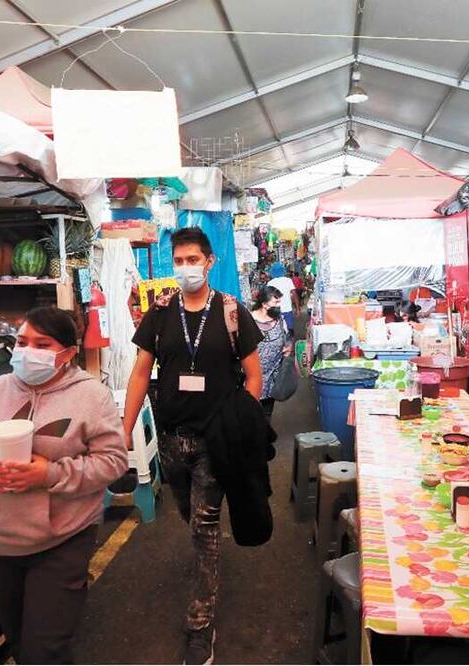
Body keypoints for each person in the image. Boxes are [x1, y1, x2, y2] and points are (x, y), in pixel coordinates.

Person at [0, 307, 128, 664]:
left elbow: (113, 461)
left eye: (41, 344)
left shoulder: (91, 397)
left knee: (45, 650)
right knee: (17, 640)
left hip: (61, 540)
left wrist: (49, 474)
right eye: (21, 342)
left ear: (68, 353)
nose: (27, 351)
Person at [122, 227, 263, 664]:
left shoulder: (232, 311)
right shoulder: (160, 313)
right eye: (178, 261)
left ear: (209, 261)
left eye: (192, 260)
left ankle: (200, 626)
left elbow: (254, 374)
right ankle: (194, 517)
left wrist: (244, 422)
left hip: (216, 440)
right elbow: (141, 373)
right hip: (170, 438)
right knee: (186, 507)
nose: (185, 268)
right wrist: (123, 430)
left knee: (204, 526)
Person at [250, 285, 291, 420]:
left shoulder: (280, 320)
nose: (279, 306)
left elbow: (286, 339)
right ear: (264, 304)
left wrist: (288, 347)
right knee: (252, 412)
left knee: (267, 413)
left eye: (280, 302)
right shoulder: (249, 320)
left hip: (273, 376)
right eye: (276, 302)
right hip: (252, 376)